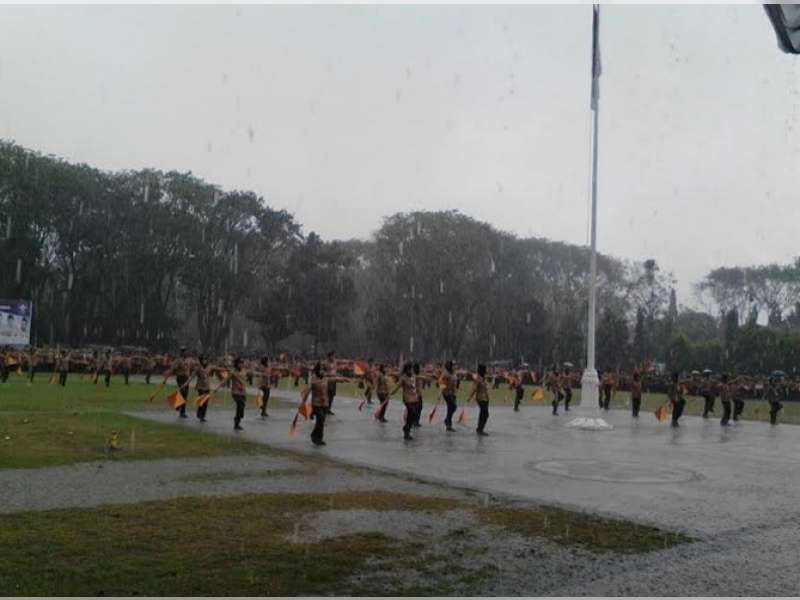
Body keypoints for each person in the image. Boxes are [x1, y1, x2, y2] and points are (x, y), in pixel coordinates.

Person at [388, 362, 419, 441]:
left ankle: (407, 430)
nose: (412, 370)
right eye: (410, 369)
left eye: (412, 369)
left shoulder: (413, 377)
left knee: (413, 415)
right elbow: (397, 386)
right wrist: (391, 393)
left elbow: (416, 385)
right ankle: (406, 430)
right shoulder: (403, 378)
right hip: (407, 399)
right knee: (412, 412)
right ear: (407, 369)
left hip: (415, 398)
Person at [302, 362, 329, 446]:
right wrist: (303, 402)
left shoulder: (325, 378)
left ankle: (315, 435)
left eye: (324, 370)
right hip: (316, 403)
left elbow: (335, 378)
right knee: (320, 419)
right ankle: (317, 438)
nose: (323, 371)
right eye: (321, 369)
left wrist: (346, 379)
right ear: (317, 370)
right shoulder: (313, 379)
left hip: (324, 403)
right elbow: (307, 391)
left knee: (321, 421)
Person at [467, 363, 490, 436]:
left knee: (484, 413)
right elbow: (474, 388)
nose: (485, 371)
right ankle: (480, 429)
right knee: (485, 413)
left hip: (485, 398)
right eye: (484, 370)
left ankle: (480, 428)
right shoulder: (478, 379)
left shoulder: (483, 378)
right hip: (481, 398)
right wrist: (470, 397)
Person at [168, 349, 191, 419]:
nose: (186, 353)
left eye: (186, 352)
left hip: (186, 379)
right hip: (180, 378)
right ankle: (179, 408)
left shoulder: (187, 360)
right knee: (183, 393)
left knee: (185, 394)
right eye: (184, 352)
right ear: (181, 353)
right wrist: (169, 373)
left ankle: (181, 410)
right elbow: (173, 368)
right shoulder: (178, 360)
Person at [229, 357, 248, 431]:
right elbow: (226, 379)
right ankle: (236, 423)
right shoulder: (233, 372)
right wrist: (217, 388)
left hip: (243, 392)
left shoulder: (244, 371)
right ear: (236, 364)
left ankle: (238, 422)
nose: (241, 364)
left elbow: (253, 373)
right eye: (240, 363)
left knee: (242, 407)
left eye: (242, 363)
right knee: (239, 406)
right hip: (235, 392)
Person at [441, 360, 458, 431]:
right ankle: (447, 420)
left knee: (450, 408)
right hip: (447, 393)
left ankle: (449, 425)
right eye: (453, 365)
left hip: (453, 393)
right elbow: (441, 383)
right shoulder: (445, 374)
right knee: (454, 406)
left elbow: (455, 380)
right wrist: (444, 389)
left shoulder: (453, 372)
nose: (454, 366)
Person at [194, 355, 212, 423]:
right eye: (204, 359)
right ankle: (199, 414)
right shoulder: (198, 368)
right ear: (201, 360)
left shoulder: (209, 367)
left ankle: (202, 416)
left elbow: (217, 369)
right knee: (201, 402)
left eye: (206, 359)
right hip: (201, 387)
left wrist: (226, 369)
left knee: (206, 403)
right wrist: (186, 384)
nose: (205, 361)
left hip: (207, 387)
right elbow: (192, 376)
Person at [325, 351, 338, 416]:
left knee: (332, 395)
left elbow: (335, 370)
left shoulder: (335, 362)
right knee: (327, 395)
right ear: (329, 356)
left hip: (334, 381)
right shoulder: (326, 363)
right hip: (328, 381)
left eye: (333, 356)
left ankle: (329, 409)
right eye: (332, 356)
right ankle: (325, 409)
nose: (333, 357)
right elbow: (323, 372)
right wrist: (328, 374)